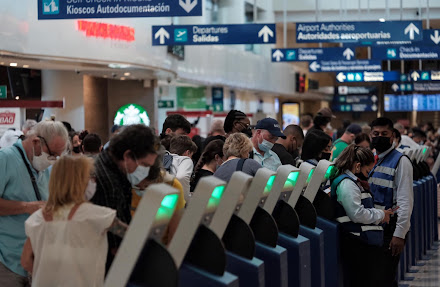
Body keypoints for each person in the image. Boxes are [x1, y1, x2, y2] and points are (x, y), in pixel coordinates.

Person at [21, 155, 128, 287]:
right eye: (89, 176)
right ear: (78, 182)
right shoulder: (96, 215)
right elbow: (132, 235)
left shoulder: (37, 219)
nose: (93, 180)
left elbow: (26, 261)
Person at [0, 120, 68, 286]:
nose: (53, 160)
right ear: (36, 142)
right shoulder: (5, 159)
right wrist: (26, 207)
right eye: (52, 154)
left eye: (58, 156)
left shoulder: (47, 169)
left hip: (38, 262)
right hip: (8, 262)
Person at [91, 124, 159, 271]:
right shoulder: (106, 180)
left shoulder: (115, 171)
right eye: (144, 165)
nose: (145, 172)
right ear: (127, 156)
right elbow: (113, 239)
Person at [331, 145, 394, 287]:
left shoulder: (354, 183)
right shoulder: (347, 183)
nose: (368, 174)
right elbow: (356, 214)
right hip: (355, 242)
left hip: (361, 242)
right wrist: (380, 214)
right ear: (358, 166)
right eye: (367, 170)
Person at [369, 117, 413, 286]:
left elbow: (405, 201)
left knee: (385, 278)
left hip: (391, 230)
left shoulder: (400, 162)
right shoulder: (372, 159)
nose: (379, 137)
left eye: (384, 133)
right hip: (375, 226)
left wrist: (399, 234)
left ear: (393, 136)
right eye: (375, 133)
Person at [300, 129, 334, 219]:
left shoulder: (320, 167)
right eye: (326, 149)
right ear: (316, 148)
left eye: (330, 148)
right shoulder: (311, 169)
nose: (329, 152)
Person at [168, 135, 198, 202]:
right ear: (188, 152)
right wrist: (187, 199)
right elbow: (182, 177)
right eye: (191, 155)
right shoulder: (185, 159)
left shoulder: (163, 158)